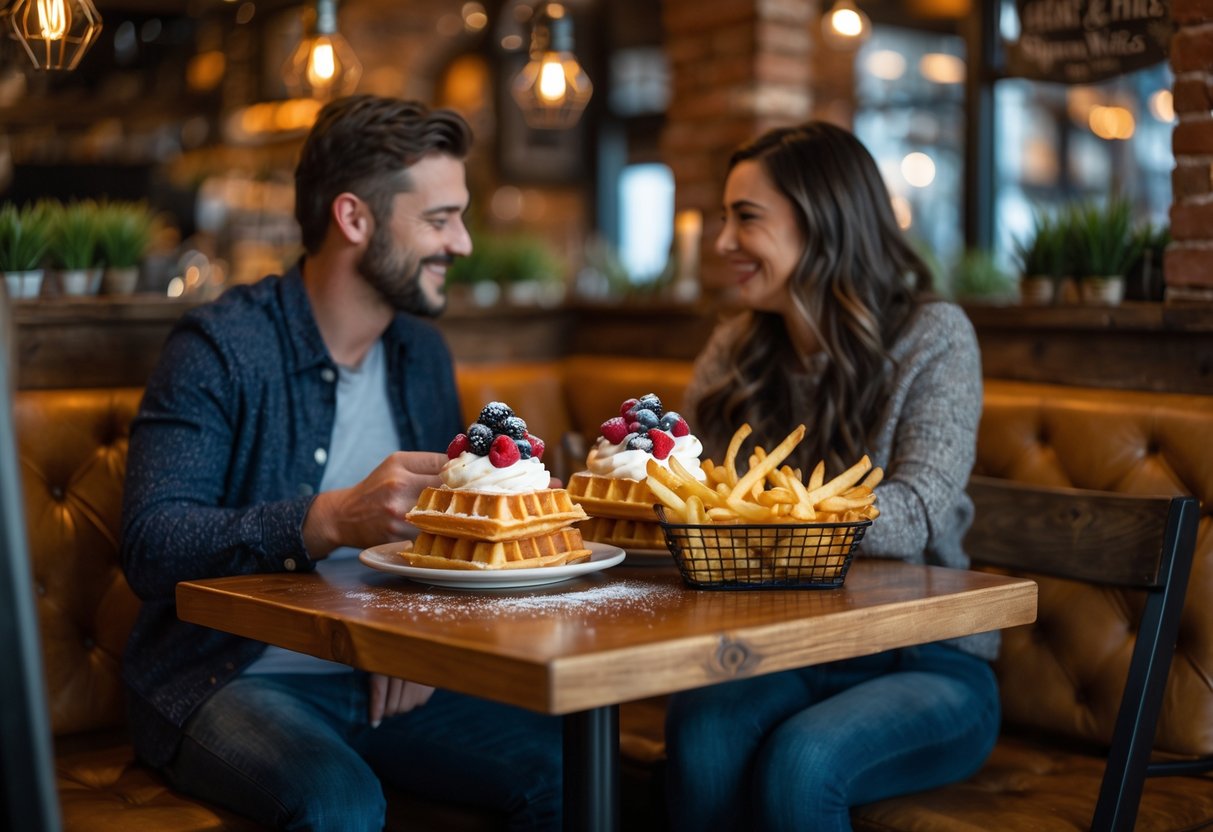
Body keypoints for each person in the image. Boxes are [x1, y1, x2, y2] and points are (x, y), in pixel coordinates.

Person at [120, 95, 563, 831]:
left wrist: (417, 640)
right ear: (354, 219)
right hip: (229, 676)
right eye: (438, 219)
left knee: (563, 773)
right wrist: (325, 520)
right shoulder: (221, 347)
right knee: (339, 803)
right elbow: (151, 544)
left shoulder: (421, 354)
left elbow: (443, 546)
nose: (463, 244)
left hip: (391, 682)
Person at [664, 122, 999, 832]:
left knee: (803, 761)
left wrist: (753, 517)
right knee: (701, 731)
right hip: (778, 646)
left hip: (925, 659)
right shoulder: (735, 346)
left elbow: (914, 511)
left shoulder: (933, 337)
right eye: (725, 218)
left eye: (744, 218)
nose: (722, 242)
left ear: (824, 222)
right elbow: (691, 496)